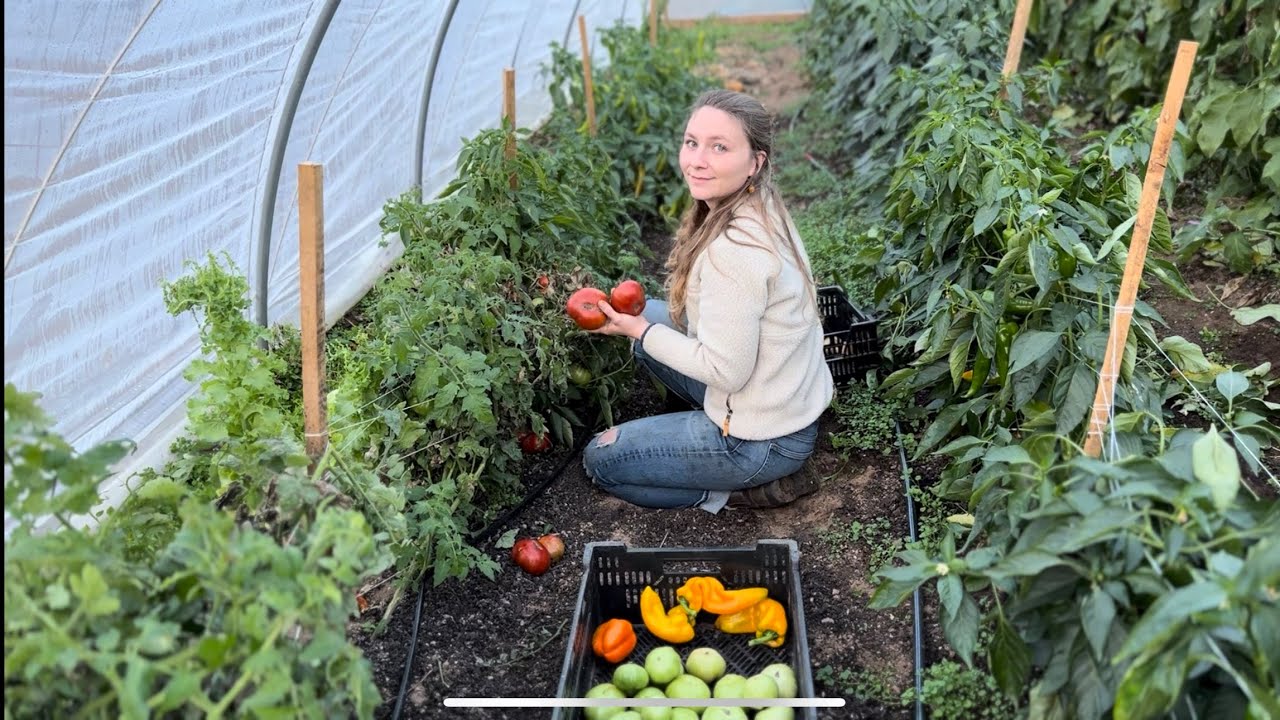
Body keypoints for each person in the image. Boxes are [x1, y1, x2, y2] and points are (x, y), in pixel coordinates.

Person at [581, 89, 834, 512]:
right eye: (692, 142)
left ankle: (734, 490)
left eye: (720, 147)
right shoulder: (761, 202)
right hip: (784, 399)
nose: (697, 159)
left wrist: (640, 331)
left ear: (756, 161)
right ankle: (691, 433)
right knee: (653, 318)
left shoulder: (734, 252)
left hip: (760, 439)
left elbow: (726, 372)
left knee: (602, 458)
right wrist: (642, 328)